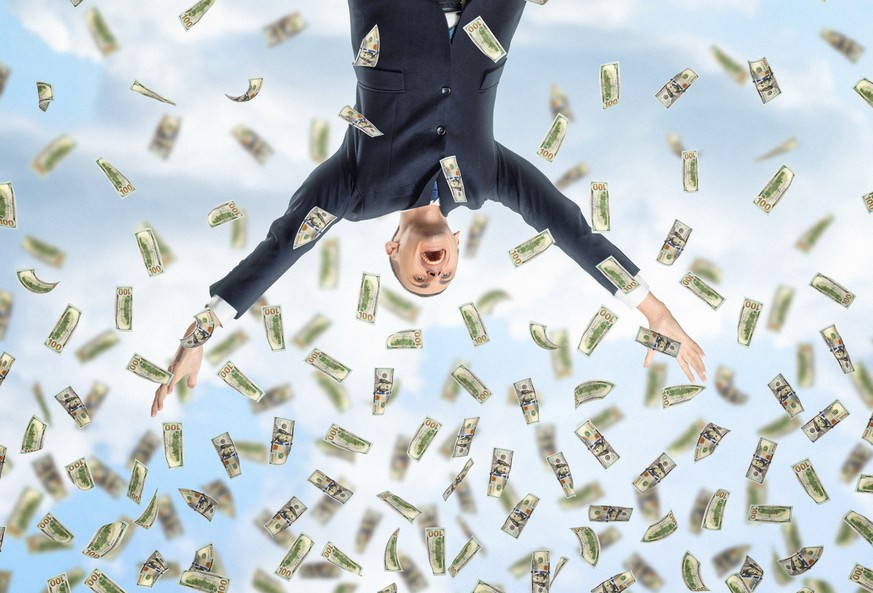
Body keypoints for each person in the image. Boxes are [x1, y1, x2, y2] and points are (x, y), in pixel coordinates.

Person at [151, 0, 706, 416]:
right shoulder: (484, 179)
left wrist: (199, 334)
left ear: (393, 249)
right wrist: (654, 311)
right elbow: (569, 229)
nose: (436, 273)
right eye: (444, 278)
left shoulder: (359, 191)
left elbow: (281, 249)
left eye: (420, 279)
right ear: (459, 247)